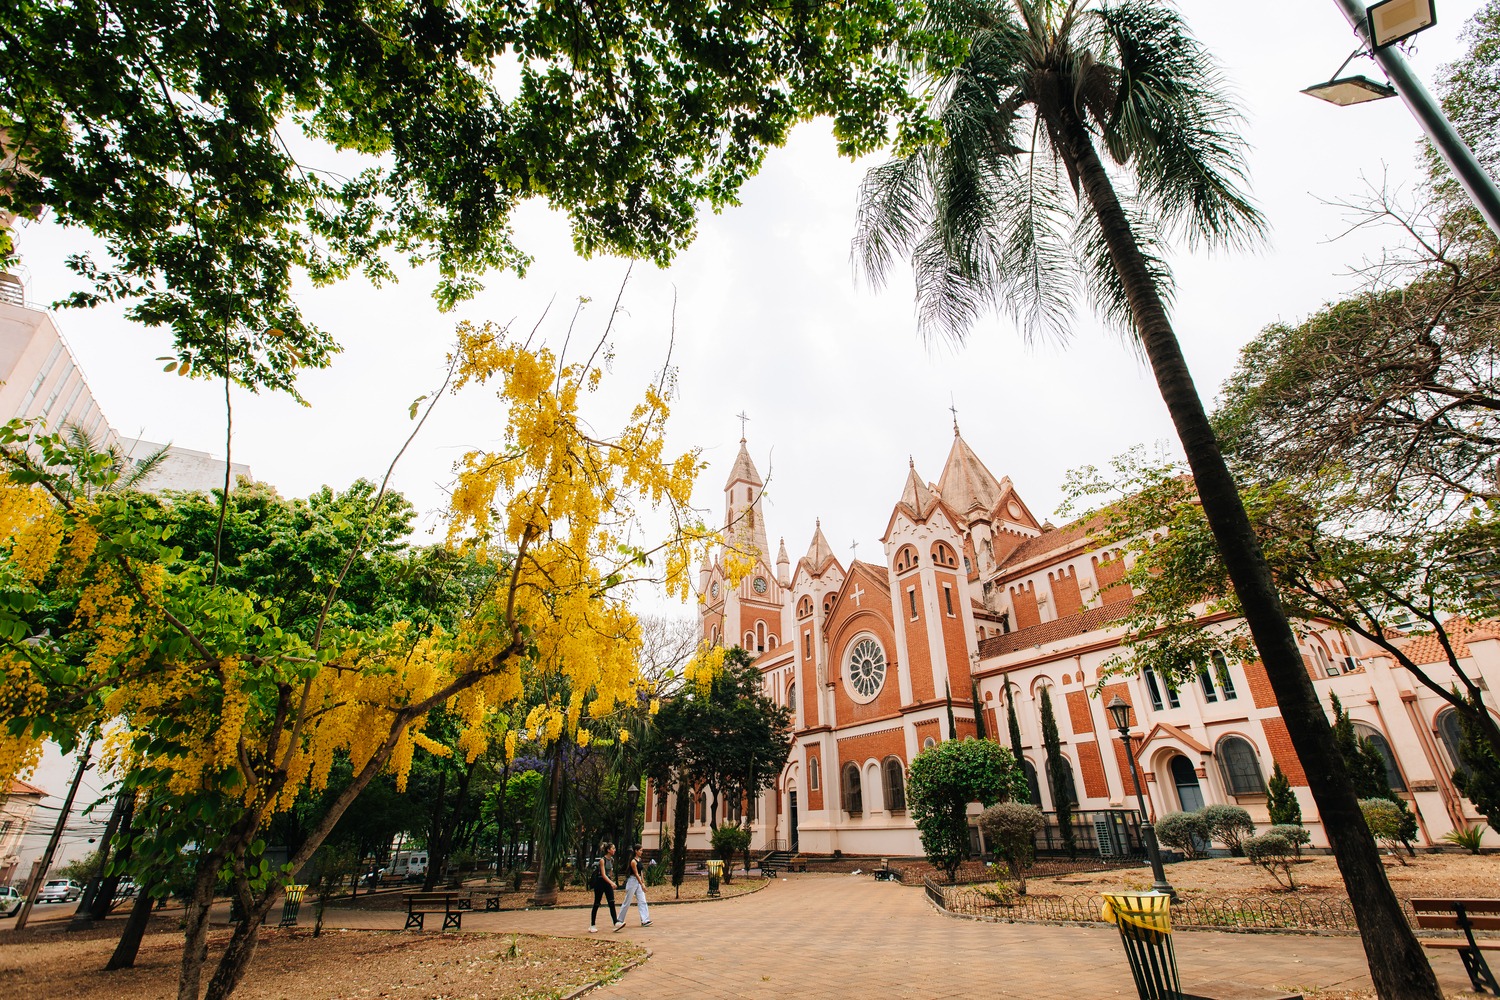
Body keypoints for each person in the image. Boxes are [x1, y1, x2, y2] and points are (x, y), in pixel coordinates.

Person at [589, 842, 622, 933]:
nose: (614, 850)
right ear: (608, 850)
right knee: (597, 903)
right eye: (613, 848)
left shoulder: (611, 860)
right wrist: (611, 883)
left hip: (608, 883)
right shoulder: (602, 860)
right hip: (600, 883)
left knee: (611, 902)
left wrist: (611, 881)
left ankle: (615, 922)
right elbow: (603, 874)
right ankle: (592, 925)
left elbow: (610, 872)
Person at [617, 844, 651, 929]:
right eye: (640, 850)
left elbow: (640, 872)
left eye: (642, 850)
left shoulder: (639, 860)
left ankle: (645, 920)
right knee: (627, 901)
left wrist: (642, 881)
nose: (641, 852)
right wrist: (641, 884)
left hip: (638, 881)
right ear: (636, 851)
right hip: (632, 881)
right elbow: (635, 873)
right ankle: (619, 920)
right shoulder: (633, 861)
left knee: (642, 900)